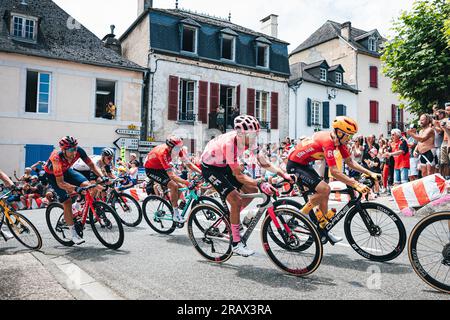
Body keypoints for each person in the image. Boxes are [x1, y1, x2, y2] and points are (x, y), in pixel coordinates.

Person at [201, 115, 293, 257]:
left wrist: (283, 174)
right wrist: (261, 182)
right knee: (236, 200)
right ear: (241, 134)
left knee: (251, 189)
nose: (255, 137)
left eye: (256, 134)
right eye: (252, 135)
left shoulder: (250, 141)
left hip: (223, 164)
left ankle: (232, 219)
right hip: (211, 168)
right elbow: (239, 176)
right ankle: (236, 244)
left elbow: (264, 162)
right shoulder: (230, 144)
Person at [286, 116, 381, 243]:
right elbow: (335, 172)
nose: (350, 139)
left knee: (324, 193)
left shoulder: (339, 142)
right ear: (340, 133)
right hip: (294, 165)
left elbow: (350, 162)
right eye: (348, 135)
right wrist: (356, 184)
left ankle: (323, 229)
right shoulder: (328, 142)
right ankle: (301, 214)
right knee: (325, 189)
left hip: (305, 165)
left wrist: (370, 172)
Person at [44, 136, 108, 245]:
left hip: (67, 170)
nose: (74, 152)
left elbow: (91, 165)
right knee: (67, 201)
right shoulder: (56, 158)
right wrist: (76, 188)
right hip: (53, 176)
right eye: (70, 150)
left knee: (89, 185)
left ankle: (78, 205)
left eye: (75, 148)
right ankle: (73, 235)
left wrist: (102, 176)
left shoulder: (79, 151)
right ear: (63, 150)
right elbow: (61, 183)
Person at [144, 135, 202, 223]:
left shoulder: (178, 150)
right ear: (170, 147)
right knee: (174, 185)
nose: (179, 150)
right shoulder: (162, 153)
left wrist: (201, 172)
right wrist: (188, 182)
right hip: (151, 170)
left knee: (180, 186)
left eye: (180, 147)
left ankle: (173, 205)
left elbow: (189, 164)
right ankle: (175, 213)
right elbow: (172, 176)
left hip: (161, 168)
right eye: (177, 148)